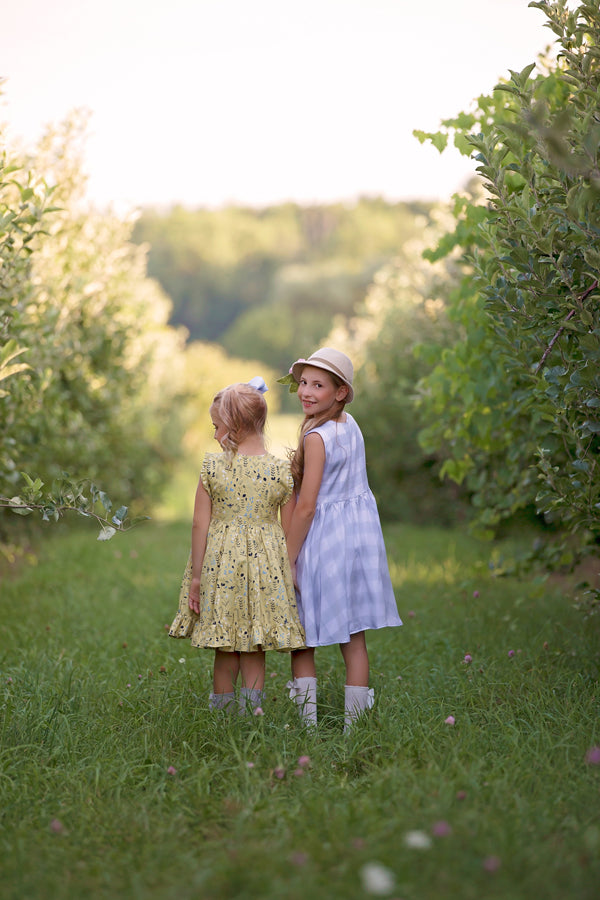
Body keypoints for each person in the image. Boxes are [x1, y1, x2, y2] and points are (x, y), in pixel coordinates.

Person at [169, 377, 305, 714]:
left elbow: (200, 523)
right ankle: (251, 718)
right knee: (254, 646)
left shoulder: (213, 466)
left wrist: (197, 577)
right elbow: (288, 531)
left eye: (217, 427)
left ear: (236, 426)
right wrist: (285, 571)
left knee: (225, 647)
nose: (215, 435)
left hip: (220, 568)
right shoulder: (280, 469)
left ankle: (224, 718)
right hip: (264, 572)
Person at [281, 348, 402, 729]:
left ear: (340, 393)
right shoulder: (350, 426)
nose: (306, 391)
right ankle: (356, 726)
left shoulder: (316, 438)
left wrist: (289, 556)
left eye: (318, 384)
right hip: (357, 540)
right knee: (354, 636)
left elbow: (307, 506)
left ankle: (308, 725)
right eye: (303, 382)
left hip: (323, 541)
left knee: (302, 635)